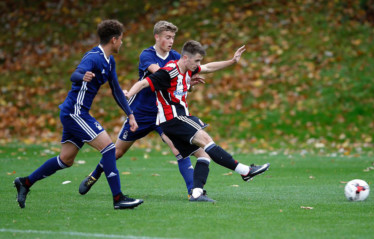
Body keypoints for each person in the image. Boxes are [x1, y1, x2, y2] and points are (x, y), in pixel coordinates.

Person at [14, 19, 144, 210]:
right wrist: (81, 76)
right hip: (75, 113)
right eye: (121, 40)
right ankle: (118, 198)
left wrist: (130, 115)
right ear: (114, 40)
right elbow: (74, 74)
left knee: (65, 160)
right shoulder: (93, 57)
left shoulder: (109, 61)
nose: (122, 43)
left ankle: (25, 183)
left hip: (74, 113)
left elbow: (116, 90)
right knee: (109, 149)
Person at [124, 40, 270, 202]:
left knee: (204, 155)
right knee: (207, 140)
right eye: (196, 61)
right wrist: (128, 95)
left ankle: (196, 194)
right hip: (173, 119)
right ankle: (245, 171)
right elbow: (144, 82)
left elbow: (209, 67)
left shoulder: (187, 69)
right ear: (185, 58)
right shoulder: (169, 71)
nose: (198, 65)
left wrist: (232, 61)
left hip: (178, 119)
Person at [79, 20, 198, 197]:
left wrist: (189, 83)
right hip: (141, 112)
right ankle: (95, 174)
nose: (171, 41)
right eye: (167, 37)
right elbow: (161, 74)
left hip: (163, 113)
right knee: (117, 152)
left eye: (173, 37)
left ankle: (192, 192)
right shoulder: (147, 55)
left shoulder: (175, 57)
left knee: (178, 149)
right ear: (157, 37)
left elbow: (180, 83)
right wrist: (181, 77)